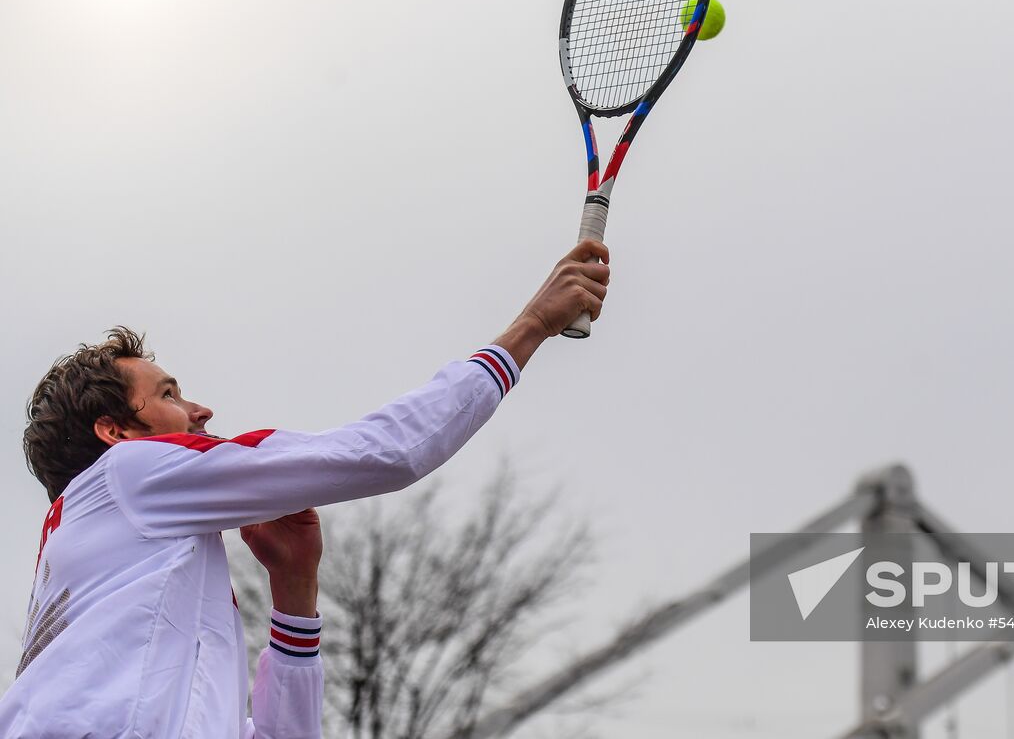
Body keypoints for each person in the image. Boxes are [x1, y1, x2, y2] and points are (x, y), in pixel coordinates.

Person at [2, 241, 610, 737]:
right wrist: (532, 326)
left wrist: (295, 588)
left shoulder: (132, 593)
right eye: (168, 395)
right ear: (115, 433)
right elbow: (390, 452)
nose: (200, 409)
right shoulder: (132, 470)